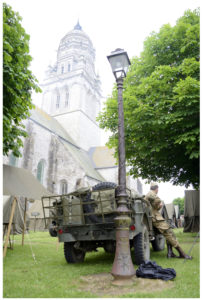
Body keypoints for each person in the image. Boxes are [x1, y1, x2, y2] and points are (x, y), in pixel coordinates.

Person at [145, 182, 192, 259]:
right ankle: (182, 254)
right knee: (169, 233)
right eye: (158, 189)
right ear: (156, 188)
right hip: (155, 218)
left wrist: (158, 206)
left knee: (169, 232)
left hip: (154, 217)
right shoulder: (151, 193)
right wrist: (159, 203)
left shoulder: (149, 194)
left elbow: (153, 206)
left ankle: (170, 253)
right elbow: (157, 200)